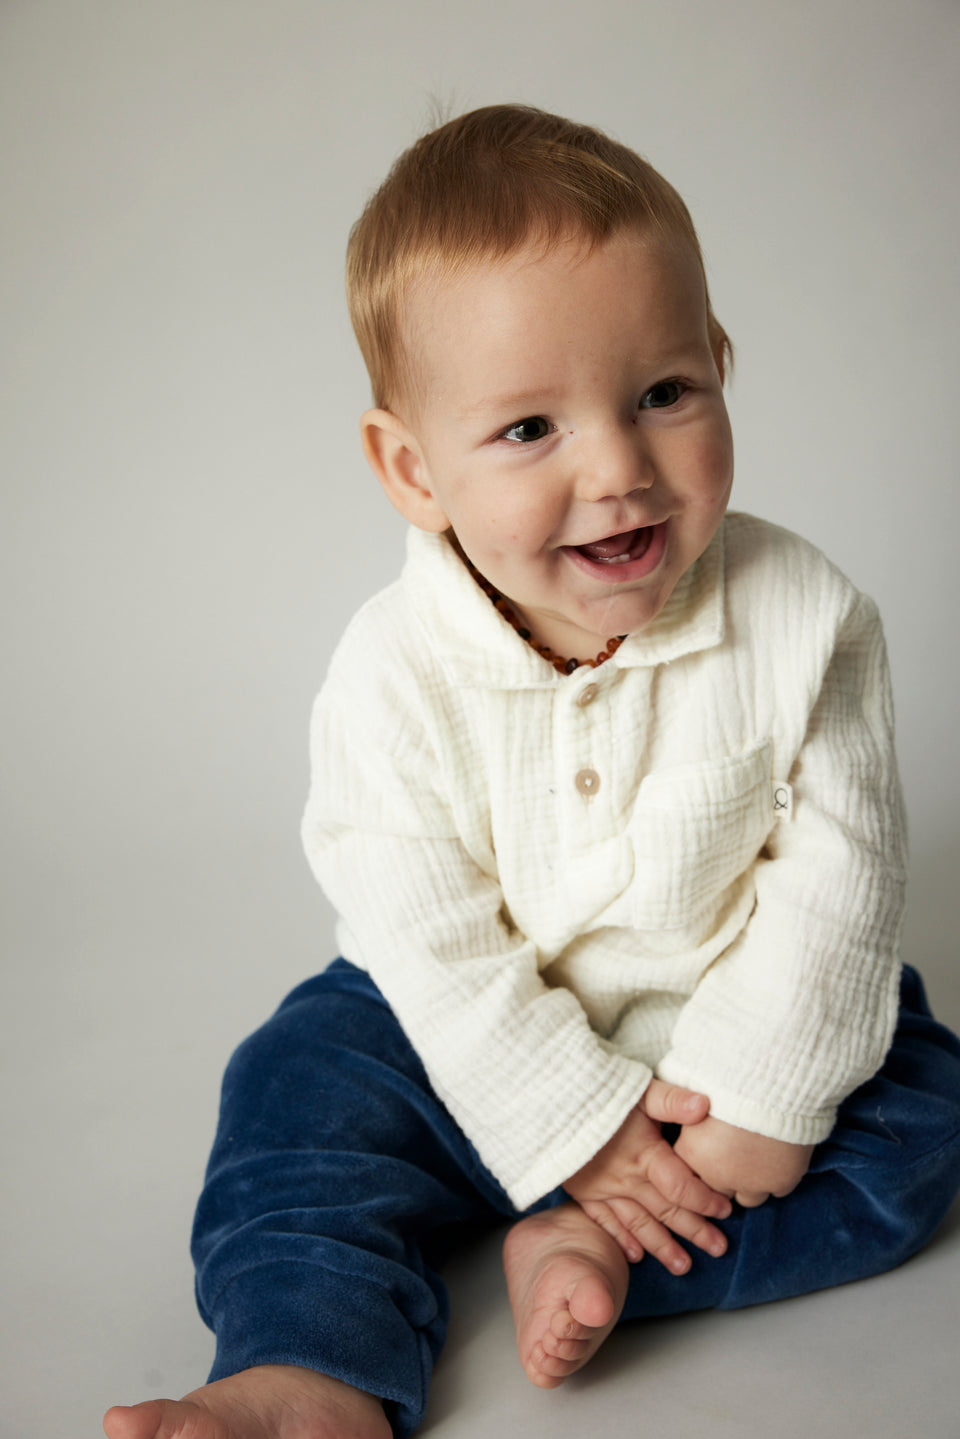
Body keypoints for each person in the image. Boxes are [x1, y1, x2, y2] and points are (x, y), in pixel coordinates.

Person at [103, 104, 960, 1439]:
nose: (621, 471)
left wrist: (757, 1105)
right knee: (294, 1090)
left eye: (664, 394)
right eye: (527, 431)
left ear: (722, 367)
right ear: (412, 468)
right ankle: (304, 1366)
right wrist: (567, 1114)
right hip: (463, 1030)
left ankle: (596, 1252)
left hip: (710, 1026)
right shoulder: (392, 670)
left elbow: (839, 870)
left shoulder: (808, 617)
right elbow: (419, 922)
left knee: (919, 1129)